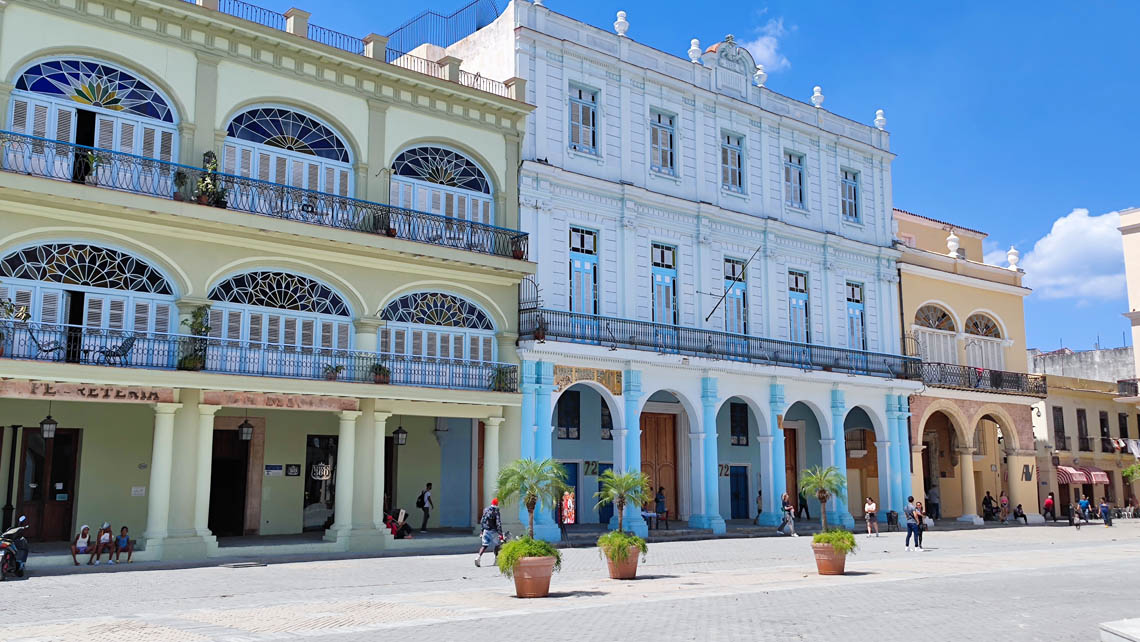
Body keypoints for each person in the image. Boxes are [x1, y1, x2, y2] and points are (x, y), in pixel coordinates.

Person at [474, 498, 503, 567]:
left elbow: (482, 520)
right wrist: (500, 533)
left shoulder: (486, 510)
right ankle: (496, 560)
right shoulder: (496, 511)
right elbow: (498, 522)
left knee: (484, 545)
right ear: (497, 504)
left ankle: (478, 557)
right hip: (493, 531)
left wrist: (482, 531)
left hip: (486, 530)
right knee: (497, 544)